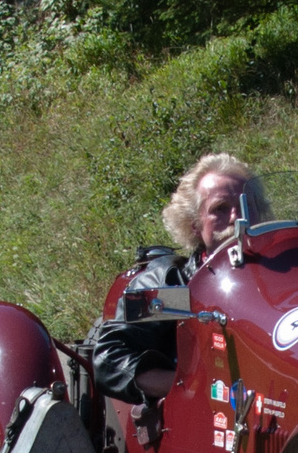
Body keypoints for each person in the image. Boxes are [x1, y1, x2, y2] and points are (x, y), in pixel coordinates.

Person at [90, 153, 256, 402]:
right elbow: (109, 359)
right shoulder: (175, 286)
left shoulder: (281, 279)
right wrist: (191, 390)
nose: (236, 218)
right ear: (194, 224)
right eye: (220, 209)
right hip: (198, 427)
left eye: (246, 206)